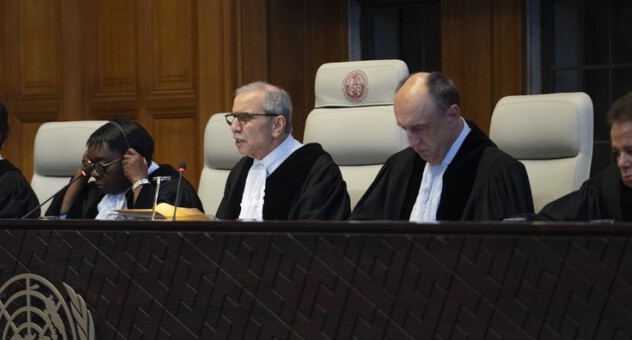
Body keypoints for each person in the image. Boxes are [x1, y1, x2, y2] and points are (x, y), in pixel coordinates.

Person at [351, 72, 533, 221]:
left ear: (452, 116)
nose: (412, 142)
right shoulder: (399, 168)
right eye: (405, 129)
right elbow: (359, 238)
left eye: (419, 128)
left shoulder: (497, 174)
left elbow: (504, 256)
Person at [216, 82, 350, 220]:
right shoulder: (241, 170)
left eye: (244, 118)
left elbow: (317, 238)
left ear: (277, 125)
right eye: (233, 118)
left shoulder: (318, 170)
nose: (234, 127)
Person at [44, 118, 202, 219]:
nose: (94, 173)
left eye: (101, 164)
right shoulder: (99, 191)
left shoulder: (172, 190)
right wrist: (83, 172)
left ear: (132, 159)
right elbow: (59, 224)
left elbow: (153, 242)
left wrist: (139, 181)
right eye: (92, 164)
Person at [538, 91, 632, 221]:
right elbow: (548, 222)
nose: (622, 163)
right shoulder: (605, 189)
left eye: (631, 151)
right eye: (618, 153)